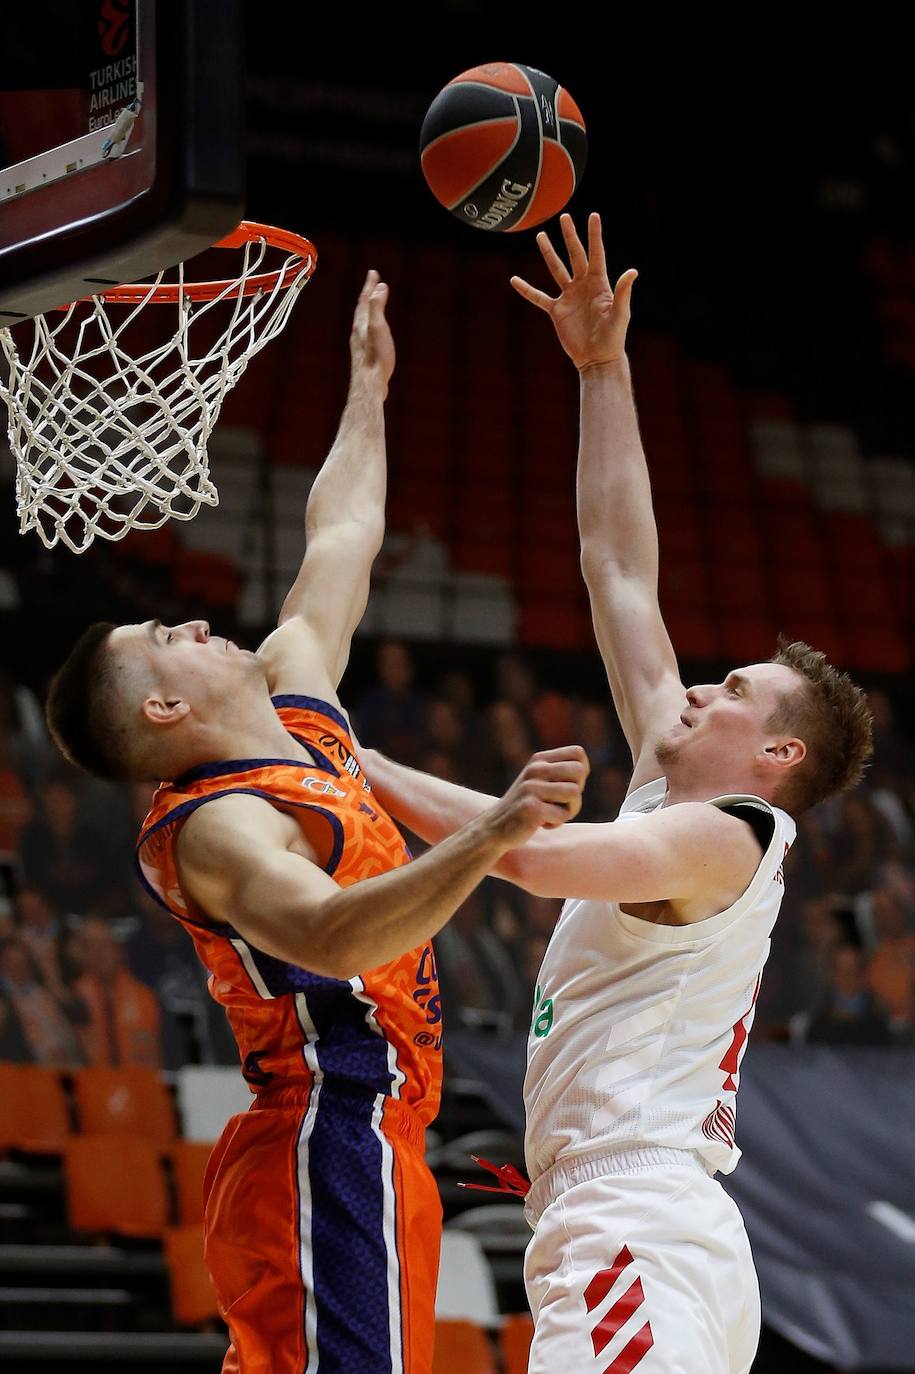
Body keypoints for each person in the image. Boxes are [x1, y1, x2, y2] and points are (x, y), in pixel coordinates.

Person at [43, 272, 587, 1374]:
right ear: (165, 709)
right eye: (167, 635)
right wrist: (482, 838)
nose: (194, 620)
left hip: (373, 1134)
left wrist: (368, 392)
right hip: (324, 1130)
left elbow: (343, 531)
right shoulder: (218, 828)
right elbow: (337, 937)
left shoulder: (296, 698)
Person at [362, 215, 874, 1374]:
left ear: (779, 754)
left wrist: (360, 764)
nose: (699, 683)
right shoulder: (676, 787)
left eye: (733, 689)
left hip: (635, 1222)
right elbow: (617, 566)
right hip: (633, 1227)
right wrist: (603, 368)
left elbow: (531, 856)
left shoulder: (734, 835)